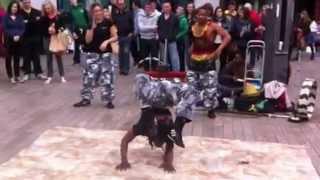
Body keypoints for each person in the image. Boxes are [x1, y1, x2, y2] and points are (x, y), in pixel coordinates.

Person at [189, 5, 231, 118]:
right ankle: (190, 107)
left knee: (210, 88)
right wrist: (191, 50)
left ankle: (211, 109)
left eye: (203, 15)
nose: (200, 16)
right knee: (192, 86)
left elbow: (227, 37)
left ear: (207, 16)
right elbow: (195, 41)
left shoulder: (213, 26)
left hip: (208, 60)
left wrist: (218, 50)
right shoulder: (193, 26)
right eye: (198, 14)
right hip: (194, 61)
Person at [73, 3, 118, 109]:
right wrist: (92, 27)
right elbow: (88, 41)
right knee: (88, 77)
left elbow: (116, 36)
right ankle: (86, 99)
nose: (98, 13)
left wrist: (107, 41)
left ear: (102, 11)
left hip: (106, 54)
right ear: (92, 13)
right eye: (95, 11)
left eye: (99, 10)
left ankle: (108, 100)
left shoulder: (108, 23)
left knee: (107, 77)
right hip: (91, 54)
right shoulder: (89, 24)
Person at [40, 1, 66, 84]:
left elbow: (63, 27)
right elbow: (41, 30)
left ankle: (62, 76)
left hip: (57, 38)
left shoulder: (58, 16)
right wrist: (49, 31)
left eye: (49, 8)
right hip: (47, 39)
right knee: (48, 57)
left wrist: (56, 31)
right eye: (46, 8)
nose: (48, 10)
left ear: (52, 7)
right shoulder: (43, 17)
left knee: (58, 56)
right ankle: (49, 76)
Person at [20, 0, 46, 81]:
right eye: (25, 2)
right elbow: (21, 25)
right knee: (26, 56)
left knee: (36, 56)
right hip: (25, 38)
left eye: (28, 2)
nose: (27, 4)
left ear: (30, 2)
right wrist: (33, 21)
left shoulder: (37, 12)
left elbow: (39, 23)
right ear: (22, 3)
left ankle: (39, 73)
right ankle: (27, 73)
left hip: (36, 37)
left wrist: (27, 22)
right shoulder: (20, 13)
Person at [2, 1, 25, 84]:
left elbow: (22, 28)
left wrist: (19, 35)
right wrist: (13, 36)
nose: (14, 8)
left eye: (16, 7)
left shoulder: (20, 17)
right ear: (10, 7)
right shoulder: (5, 17)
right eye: (13, 7)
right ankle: (10, 76)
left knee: (17, 58)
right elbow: (5, 28)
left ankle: (17, 76)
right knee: (8, 58)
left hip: (18, 41)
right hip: (9, 41)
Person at [112, 0, 134, 75]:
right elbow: (113, 22)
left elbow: (133, 24)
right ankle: (121, 69)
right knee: (120, 53)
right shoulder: (116, 14)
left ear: (124, 5)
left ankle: (126, 69)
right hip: (119, 36)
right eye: (119, 4)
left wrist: (131, 33)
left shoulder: (129, 13)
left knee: (126, 52)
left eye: (122, 4)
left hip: (127, 35)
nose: (121, 6)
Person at [137, 1, 161, 70]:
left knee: (154, 57)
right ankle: (146, 71)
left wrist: (147, 27)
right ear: (144, 8)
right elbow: (141, 28)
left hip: (153, 39)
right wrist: (152, 28)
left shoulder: (158, 15)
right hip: (143, 38)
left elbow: (158, 27)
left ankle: (154, 72)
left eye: (149, 8)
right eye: (146, 8)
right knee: (145, 57)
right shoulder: (140, 15)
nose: (147, 9)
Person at [157, 1, 180, 71]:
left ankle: (176, 73)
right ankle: (165, 73)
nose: (166, 8)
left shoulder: (175, 17)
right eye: (164, 7)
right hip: (162, 41)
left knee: (174, 58)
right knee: (163, 58)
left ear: (170, 7)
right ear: (162, 8)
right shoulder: (160, 17)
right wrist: (161, 36)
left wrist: (172, 36)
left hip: (172, 41)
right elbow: (159, 28)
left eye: (167, 7)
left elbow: (176, 29)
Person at [69, 0, 89, 65]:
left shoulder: (82, 8)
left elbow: (87, 18)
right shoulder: (71, 10)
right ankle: (76, 60)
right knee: (77, 44)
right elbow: (70, 22)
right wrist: (72, 32)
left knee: (86, 43)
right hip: (76, 29)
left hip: (85, 28)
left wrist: (88, 27)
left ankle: (88, 58)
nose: (72, 1)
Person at [176, 5, 188, 71]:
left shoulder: (183, 19)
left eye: (178, 9)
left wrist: (177, 36)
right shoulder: (177, 18)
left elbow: (185, 30)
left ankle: (182, 69)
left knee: (181, 55)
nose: (176, 11)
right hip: (177, 40)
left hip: (181, 40)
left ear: (182, 11)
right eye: (177, 9)